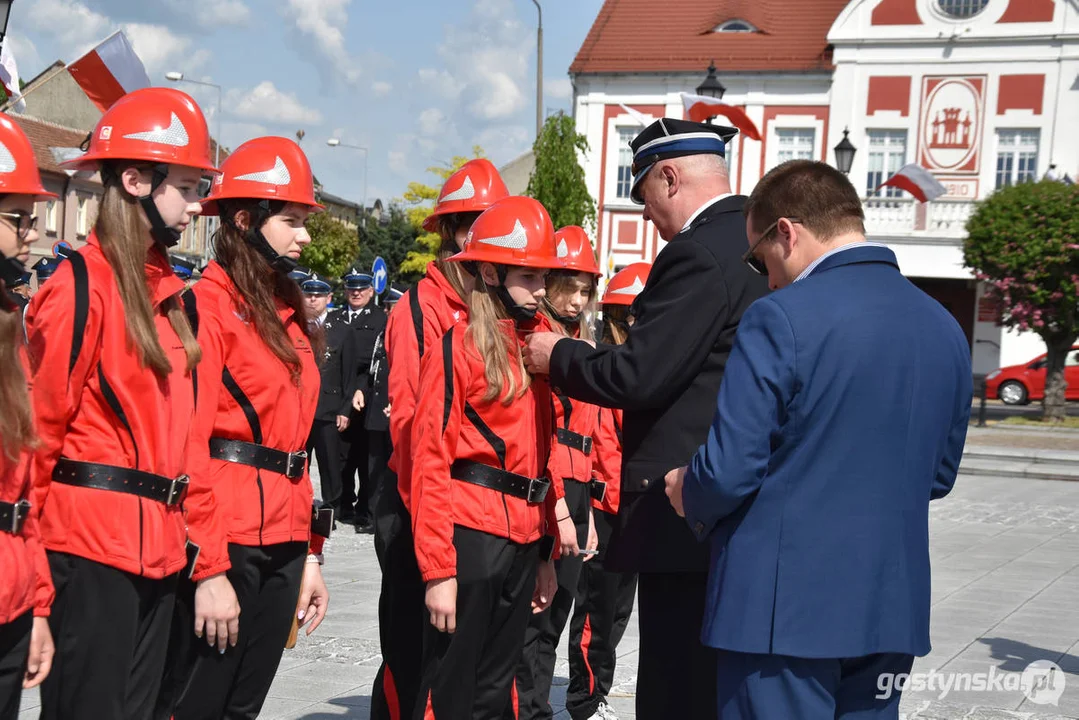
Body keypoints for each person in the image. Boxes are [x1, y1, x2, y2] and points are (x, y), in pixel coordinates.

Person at [663, 160, 973, 719]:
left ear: (787, 231)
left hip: (782, 617)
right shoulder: (943, 325)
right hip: (889, 607)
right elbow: (940, 475)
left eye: (760, 259)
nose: (767, 276)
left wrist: (689, 486)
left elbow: (732, 467)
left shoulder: (779, 316)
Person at [523, 118, 769, 720]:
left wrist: (559, 355)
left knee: (674, 681)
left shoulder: (698, 251)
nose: (649, 217)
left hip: (681, 504)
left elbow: (641, 373)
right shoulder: (758, 246)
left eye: (646, 199)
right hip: (734, 497)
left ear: (668, 176)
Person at [26, 87, 212, 719]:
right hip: (85, 553)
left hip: (160, 552)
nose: (197, 205)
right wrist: (35, 593)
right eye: (186, 187)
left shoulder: (175, 295)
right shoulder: (76, 288)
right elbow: (35, 442)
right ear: (134, 179)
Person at [163, 135, 331, 719]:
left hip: (284, 538)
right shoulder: (205, 306)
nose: (305, 235)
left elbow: (296, 443)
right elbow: (189, 442)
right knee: (198, 705)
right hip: (225, 535)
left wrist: (311, 553)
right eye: (292, 220)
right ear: (244, 218)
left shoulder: (290, 312)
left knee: (244, 708)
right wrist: (207, 566)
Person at [410, 195, 561, 718]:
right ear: (492, 273)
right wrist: (437, 572)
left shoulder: (538, 348)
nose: (543, 289)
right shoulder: (457, 347)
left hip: (523, 538)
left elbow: (544, 455)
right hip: (470, 536)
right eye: (532, 275)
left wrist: (546, 552)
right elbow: (428, 459)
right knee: (449, 689)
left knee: (498, 692)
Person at [371, 157, 508, 720]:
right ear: (451, 232)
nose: (485, 233)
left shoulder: (490, 309)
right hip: (416, 502)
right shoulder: (417, 310)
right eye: (474, 221)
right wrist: (430, 527)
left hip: (469, 511)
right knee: (411, 651)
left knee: (461, 663)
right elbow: (408, 423)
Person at [512, 225, 603, 720]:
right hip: (549, 483)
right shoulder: (537, 340)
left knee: (559, 607)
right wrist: (561, 508)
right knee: (536, 610)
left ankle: (535, 707)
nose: (575, 299)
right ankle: (527, 710)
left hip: (578, 484)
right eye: (568, 285)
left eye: (585, 290)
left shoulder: (575, 339)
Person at [565, 262, 651, 720]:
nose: (640, 324)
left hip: (631, 509)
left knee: (617, 614)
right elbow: (595, 447)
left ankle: (597, 693)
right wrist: (593, 516)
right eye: (633, 316)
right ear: (618, 318)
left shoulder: (643, 370)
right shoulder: (604, 368)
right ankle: (584, 701)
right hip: (603, 509)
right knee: (595, 616)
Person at [0, 112, 56, 718]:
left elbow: (25, 484)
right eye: (17, 219)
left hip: (11, 596)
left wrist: (39, 606)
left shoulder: (9, 325)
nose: (31, 235)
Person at [300, 270, 363, 513]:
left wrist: (345, 408)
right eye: (308, 295)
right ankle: (298, 506)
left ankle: (331, 510)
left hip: (329, 408)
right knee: (299, 462)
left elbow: (349, 374)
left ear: (329, 298)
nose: (312, 299)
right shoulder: (295, 327)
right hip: (301, 408)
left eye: (318, 295)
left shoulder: (342, 329)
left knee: (329, 466)